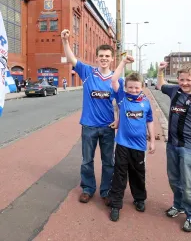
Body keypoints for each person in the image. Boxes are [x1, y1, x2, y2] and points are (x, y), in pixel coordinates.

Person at [61, 29, 120, 204]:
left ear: (111, 59)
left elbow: (120, 104)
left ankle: (106, 191)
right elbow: (72, 58)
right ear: (97, 58)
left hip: (108, 128)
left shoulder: (116, 79)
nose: (104, 58)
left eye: (107, 56)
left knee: (108, 161)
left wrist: (118, 121)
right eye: (101, 55)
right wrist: (65, 41)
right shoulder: (87, 72)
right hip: (89, 126)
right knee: (87, 160)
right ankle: (88, 188)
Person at [156, 62, 191, 233]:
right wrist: (160, 71)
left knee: (189, 183)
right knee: (173, 179)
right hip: (172, 145)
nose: (184, 83)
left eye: (188, 80)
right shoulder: (175, 91)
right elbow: (160, 85)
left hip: (189, 147)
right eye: (181, 80)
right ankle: (178, 205)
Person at [107, 55, 156, 222]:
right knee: (119, 174)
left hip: (139, 146)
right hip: (122, 144)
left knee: (138, 174)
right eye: (131, 88)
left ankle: (139, 199)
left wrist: (152, 141)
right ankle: (115, 204)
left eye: (137, 88)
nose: (134, 90)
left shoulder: (146, 102)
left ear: (142, 87)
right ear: (125, 88)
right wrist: (122, 63)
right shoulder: (122, 98)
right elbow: (114, 80)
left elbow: (149, 121)